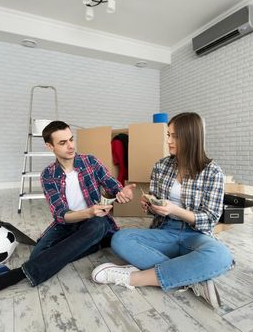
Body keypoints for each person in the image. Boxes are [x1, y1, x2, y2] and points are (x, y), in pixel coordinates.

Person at [0, 120, 135, 306]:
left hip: (95, 222)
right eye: (62, 143)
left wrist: (122, 192)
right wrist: (87, 212)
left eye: (71, 139)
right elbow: (61, 215)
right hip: (68, 223)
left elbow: (113, 186)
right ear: (50, 146)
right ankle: (95, 244)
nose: (70, 146)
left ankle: (12, 277)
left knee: (97, 225)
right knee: (37, 256)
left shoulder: (91, 162)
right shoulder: (48, 175)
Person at [91, 112, 234, 308]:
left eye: (174, 136)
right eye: (168, 134)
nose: (168, 140)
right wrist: (151, 207)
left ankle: (134, 278)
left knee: (221, 256)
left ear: (191, 137)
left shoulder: (213, 172)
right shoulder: (161, 166)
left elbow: (210, 220)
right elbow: (157, 208)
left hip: (195, 234)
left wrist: (176, 209)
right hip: (164, 230)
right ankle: (191, 275)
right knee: (120, 239)